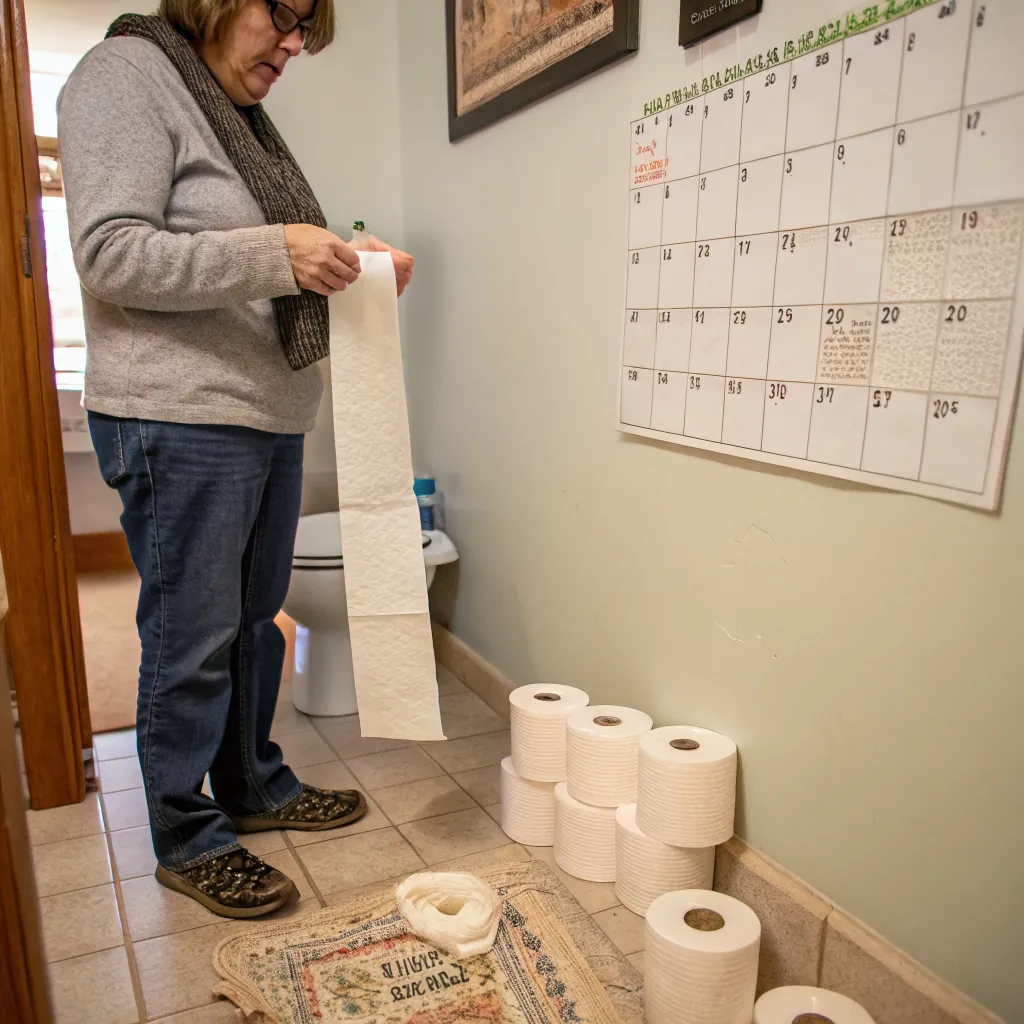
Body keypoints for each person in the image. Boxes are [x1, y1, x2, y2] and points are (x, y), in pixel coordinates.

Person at [57, 0, 414, 919]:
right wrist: (278, 252)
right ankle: (185, 831)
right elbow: (109, 252)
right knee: (194, 634)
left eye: (308, 28)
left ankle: (252, 782)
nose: (296, 44)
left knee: (255, 623)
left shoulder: (233, 111)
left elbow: (259, 260)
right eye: (287, 16)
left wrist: (345, 261)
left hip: (263, 409)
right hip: (179, 414)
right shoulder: (126, 77)